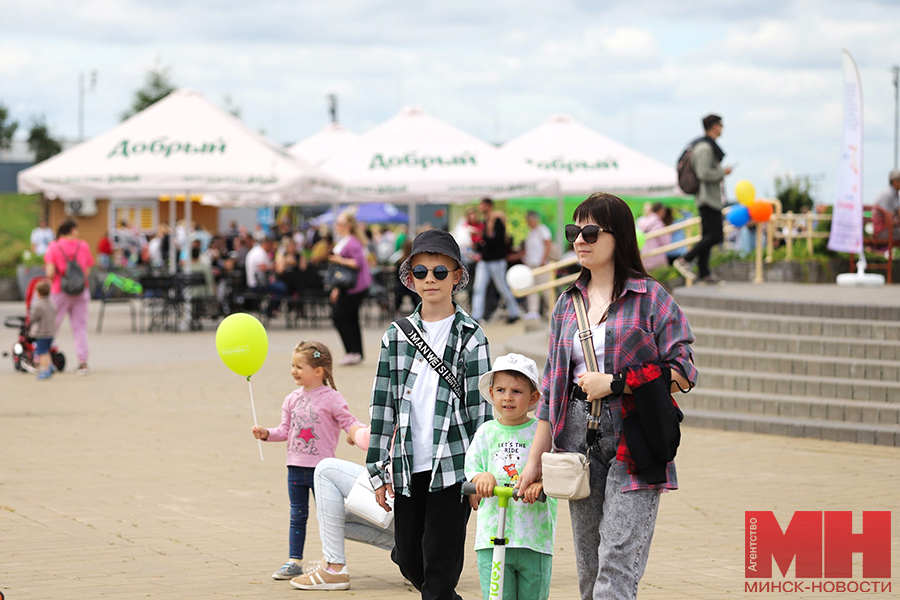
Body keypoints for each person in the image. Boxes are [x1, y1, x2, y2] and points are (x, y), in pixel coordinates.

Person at [516, 193, 697, 600]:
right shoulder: (567, 304)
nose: (580, 240)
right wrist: (534, 462)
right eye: (574, 232)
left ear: (620, 237)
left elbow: (684, 370)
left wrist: (618, 383)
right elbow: (551, 391)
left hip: (635, 435)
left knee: (616, 562)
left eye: (592, 231)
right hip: (577, 439)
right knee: (590, 566)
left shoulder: (651, 298)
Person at [366, 229, 492, 600]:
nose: (430, 279)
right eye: (421, 272)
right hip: (407, 466)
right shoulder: (396, 335)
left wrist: (480, 471)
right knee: (407, 558)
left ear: (457, 276)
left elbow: (480, 412)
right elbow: (382, 405)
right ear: (410, 279)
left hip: (453, 468)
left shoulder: (472, 336)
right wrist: (376, 470)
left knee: (439, 571)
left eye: (440, 271)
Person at [251, 341, 365, 583]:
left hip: (322, 472)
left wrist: (357, 434)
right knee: (297, 514)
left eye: (299, 366)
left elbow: (348, 420)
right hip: (295, 466)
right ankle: (294, 561)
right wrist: (267, 434)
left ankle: (330, 560)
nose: (294, 370)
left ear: (318, 371)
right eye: (292, 365)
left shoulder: (332, 398)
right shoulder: (291, 399)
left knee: (328, 515)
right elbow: (284, 430)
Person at [465, 353, 557, 600]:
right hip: (493, 536)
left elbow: (557, 469)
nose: (508, 397)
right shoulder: (486, 432)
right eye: (502, 390)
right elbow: (471, 467)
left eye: (517, 391)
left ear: (533, 398)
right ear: (492, 393)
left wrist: (541, 483)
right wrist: (480, 477)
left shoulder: (542, 431)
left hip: (533, 538)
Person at [290, 426, 396, 591]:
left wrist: (353, 430)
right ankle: (416, 559)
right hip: (433, 524)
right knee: (335, 518)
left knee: (326, 469)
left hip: (403, 503)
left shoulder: (404, 399)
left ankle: (334, 567)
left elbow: (372, 435)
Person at [674, 114, 732, 283]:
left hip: (707, 197)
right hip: (708, 198)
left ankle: (704, 272)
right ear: (715, 126)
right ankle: (686, 259)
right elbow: (704, 173)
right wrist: (723, 173)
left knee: (707, 235)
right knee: (716, 236)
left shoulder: (702, 145)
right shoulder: (705, 148)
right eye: (720, 125)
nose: (722, 129)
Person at [44, 218, 94, 376]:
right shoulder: (83, 245)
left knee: (52, 326)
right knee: (80, 328)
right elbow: (87, 270)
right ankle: (83, 362)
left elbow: (50, 272)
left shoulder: (54, 246)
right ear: (73, 230)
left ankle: (46, 360)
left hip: (60, 290)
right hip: (81, 291)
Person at [329, 210, 372, 366]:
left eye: (340, 224)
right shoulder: (348, 241)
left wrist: (339, 260)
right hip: (349, 286)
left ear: (347, 226)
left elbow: (357, 262)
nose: (337, 226)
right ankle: (355, 352)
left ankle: (351, 351)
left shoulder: (351, 242)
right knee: (351, 318)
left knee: (340, 317)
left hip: (353, 286)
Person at [471, 198, 521, 324]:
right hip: (485, 260)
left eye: (482, 205)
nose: (480, 207)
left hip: (496, 261)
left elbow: (498, 241)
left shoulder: (497, 220)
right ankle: (476, 315)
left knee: (502, 287)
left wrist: (484, 240)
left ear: (488, 206)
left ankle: (514, 312)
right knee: (479, 288)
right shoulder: (486, 221)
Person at [522, 210, 553, 321]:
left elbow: (548, 245)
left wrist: (543, 259)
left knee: (546, 289)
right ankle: (533, 311)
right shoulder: (530, 233)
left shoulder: (542, 230)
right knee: (532, 288)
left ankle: (551, 310)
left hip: (541, 264)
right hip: (531, 264)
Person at [29, 278, 58, 381]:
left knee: (41, 352)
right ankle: (50, 366)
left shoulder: (38, 305)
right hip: (51, 332)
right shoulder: (52, 304)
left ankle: (45, 369)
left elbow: (33, 316)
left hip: (41, 333)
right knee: (46, 351)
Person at [638, 203, 673, 272]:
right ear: (661, 211)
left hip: (644, 257)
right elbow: (666, 242)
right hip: (657, 257)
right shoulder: (658, 224)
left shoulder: (642, 222)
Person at [873, 169, 900, 241]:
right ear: (895, 182)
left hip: (889, 230)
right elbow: (889, 222)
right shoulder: (888, 195)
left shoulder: (895, 195)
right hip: (882, 231)